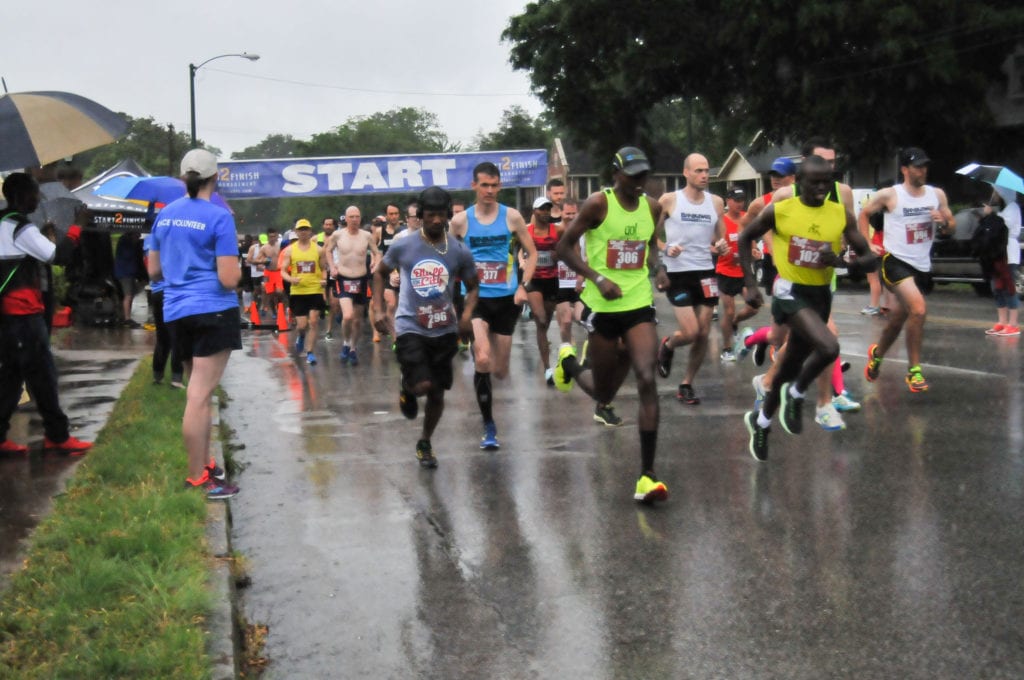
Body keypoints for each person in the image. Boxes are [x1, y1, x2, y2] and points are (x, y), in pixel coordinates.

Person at [738, 156, 877, 461]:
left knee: (786, 368)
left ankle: (760, 422)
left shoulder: (840, 214)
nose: (820, 188)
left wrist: (843, 262)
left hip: (820, 296)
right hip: (790, 294)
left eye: (826, 182)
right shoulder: (781, 210)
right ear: (799, 182)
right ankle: (798, 393)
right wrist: (750, 284)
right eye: (813, 182)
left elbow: (869, 259)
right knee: (829, 346)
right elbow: (745, 236)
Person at [552, 146, 668, 502]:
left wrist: (659, 268)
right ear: (615, 175)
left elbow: (650, 246)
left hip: (637, 303)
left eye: (643, 176)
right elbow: (564, 248)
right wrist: (597, 278)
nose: (639, 183)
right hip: (602, 306)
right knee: (604, 394)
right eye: (632, 177)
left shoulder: (652, 206)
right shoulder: (598, 205)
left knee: (647, 377)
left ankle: (647, 476)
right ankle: (569, 363)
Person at [148, 149, 240, 500]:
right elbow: (228, 278)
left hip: (176, 311)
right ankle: (198, 478)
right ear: (214, 178)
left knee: (195, 393)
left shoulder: (164, 216)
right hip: (213, 309)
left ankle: (204, 465)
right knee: (201, 396)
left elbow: (154, 271)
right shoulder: (219, 217)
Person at [373, 187, 479, 468]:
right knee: (423, 384)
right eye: (429, 215)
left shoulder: (458, 250)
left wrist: (467, 315)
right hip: (411, 326)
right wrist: (378, 309)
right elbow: (380, 273)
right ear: (420, 216)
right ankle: (408, 386)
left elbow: (474, 287)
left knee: (436, 392)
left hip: (445, 329)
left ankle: (425, 441)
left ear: (447, 216)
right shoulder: (403, 245)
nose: (434, 220)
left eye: (440, 215)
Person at [0, 173, 93, 456]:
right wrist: (76, 228)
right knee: (42, 377)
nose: (37, 199)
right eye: (32, 194)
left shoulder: (4, 222)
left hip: (6, 316)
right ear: (18, 196)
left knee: (11, 378)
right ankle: (58, 436)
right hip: (24, 315)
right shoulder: (19, 226)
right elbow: (58, 257)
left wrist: (43, 238)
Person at [449, 161, 537, 450]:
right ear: (474, 186)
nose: (489, 190)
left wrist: (524, 286)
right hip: (475, 298)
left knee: (500, 370)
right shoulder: (461, 222)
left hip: (507, 298)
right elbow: (448, 258)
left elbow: (531, 252)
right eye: (484, 185)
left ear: (500, 186)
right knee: (483, 358)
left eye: (494, 185)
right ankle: (488, 425)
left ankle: (487, 381)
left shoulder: (512, 217)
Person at [859, 147, 956, 393]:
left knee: (897, 320)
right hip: (895, 261)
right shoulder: (890, 195)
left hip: (921, 265)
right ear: (904, 169)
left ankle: (877, 354)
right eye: (917, 166)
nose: (923, 170)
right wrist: (867, 243)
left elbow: (951, 226)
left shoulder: (936, 195)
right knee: (919, 310)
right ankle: (914, 372)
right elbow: (864, 213)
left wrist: (943, 222)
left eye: (925, 166)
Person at [655, 152, 730, 405]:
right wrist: (666, 248)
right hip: (677, 272)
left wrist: (721, 246)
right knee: (691, 331)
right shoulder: (669, 200)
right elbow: (650, 236)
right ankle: (668, 345)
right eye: (698, 170)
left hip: (705, 272)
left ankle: (686, 383)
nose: (704, 175)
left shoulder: (716, 202)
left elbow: (720, 238)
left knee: (704, 332)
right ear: (686, 172)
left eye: (707, 170)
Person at [326, 205, 380, 365]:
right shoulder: (337, 235)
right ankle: (345, 343)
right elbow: (328, 251)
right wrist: (332, 267)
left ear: (360, 218)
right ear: (346, 218)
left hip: (361, 279)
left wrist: (375, 264)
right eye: (352, 217)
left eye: (357, 216)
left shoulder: (367, 236)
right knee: (348, 316)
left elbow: (377, 252)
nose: (355, 220)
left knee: (357, 320)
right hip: (343, 279)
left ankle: (353, 348)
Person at [716, 186, 760, 361]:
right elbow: (714, 242)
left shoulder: (746, 219)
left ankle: (734, 323)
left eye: (742, 200)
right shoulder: (722, 221)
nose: (739, 204)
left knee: (754, 306)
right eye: (736, 200)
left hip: (743, 273)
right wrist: (720, 250)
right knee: (728, 311)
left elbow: (752, 241)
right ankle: (727, 349)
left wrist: (755, 251)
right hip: (725, 271)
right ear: (728, 201)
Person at [524, 196, 561, 384]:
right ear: (534, 211)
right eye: (541, 209)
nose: (545, 213)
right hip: (533, 280)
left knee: (544, 326)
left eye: (548, 209)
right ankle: (547, 369)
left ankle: (544, 347)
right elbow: (515, 251)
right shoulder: (526, 231)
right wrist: (523, 263)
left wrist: (558, 253)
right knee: (541, 318)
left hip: (552, 280)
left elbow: (569, 246)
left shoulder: (557, 230)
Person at [281, 219, 327, 364]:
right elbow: (282, 271)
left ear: (310, 231)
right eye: (301, 229)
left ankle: (310, 352)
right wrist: (290, 279)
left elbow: (324, 269)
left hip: (315, 289)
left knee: (313, 322)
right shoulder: (290, 250)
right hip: (298, 291)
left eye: (306, 229)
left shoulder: (319, 250)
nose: (303, 232)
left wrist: (324, 280)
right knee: (302, 325)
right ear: (296, 232)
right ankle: (301, 336)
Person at [145, 234, 185, 388]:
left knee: (162, 337)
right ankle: (176, 379)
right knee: (178, 337)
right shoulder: (178, 240)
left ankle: (157, 374)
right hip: (173, 292)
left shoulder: (152, 239)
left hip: (156, 292)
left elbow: (150, 267)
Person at [982, 187, 1022, 336]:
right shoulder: (1003, 209)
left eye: (997, 191)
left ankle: (1013, 324)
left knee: (1008, 287)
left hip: (1009, 253)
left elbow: (1003, 226)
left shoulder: (1013, 208)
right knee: (997, 287)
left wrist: (991, 215)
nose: (995, 195)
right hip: (997, 252)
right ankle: (1002, 321)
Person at [374, 203, 405, 341]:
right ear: (386, 216)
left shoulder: (404, 231)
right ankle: (394, 338)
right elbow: (376, 251)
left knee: (401, 305)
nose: (393, 216)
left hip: (402, 271)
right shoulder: (380, 231)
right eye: (391, 214)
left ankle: (401, 330)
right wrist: (374, 264)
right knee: (391, 304)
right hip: (387, 272)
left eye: (396, 213)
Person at [113, 231, 145, 327]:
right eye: (137, 235)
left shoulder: (125, 241)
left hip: (127, 272)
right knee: (128, 295)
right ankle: (127, 318)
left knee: (129, 295)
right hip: (125, 273)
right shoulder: (126, 243)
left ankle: (126, 316)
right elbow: (128, 255)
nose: (139, 237)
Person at [320, 217, 341, 339]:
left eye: (330, 224)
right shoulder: (316, 238)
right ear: (323, 226)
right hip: (322, 272)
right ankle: (328, 328)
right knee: (324, 301)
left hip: (334, 273)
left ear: (334, 226)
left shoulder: (339, 237)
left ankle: (331, 327)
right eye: (326, 224)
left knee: (334, 303)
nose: (328, 226)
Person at [257, 228, 283, 321]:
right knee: (270, 293)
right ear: (268, 237)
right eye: (270, 236)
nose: (272, 238)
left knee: (279, 292)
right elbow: (258, 260)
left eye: (274, 236)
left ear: (276, 236)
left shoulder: (280, 245)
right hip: (268, 273)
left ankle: (280, 308)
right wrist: (262, 262)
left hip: (279, 272)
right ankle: (274, 312)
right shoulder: (264, 248)